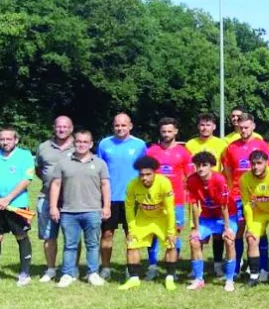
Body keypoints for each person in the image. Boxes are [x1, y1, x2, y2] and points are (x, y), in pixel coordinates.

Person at [47, 130, 110, 287]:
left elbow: (105, 185)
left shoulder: (99, 163)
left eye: (85, 142)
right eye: (79, 141)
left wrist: (106, 206)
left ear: (91, 144)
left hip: (93, 210)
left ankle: (92, 273)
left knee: (92, 244)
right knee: (70, 245)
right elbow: (55, 184)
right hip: (69, 211)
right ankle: (68, 274)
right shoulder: (63, 162)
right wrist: (54, 207)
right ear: (74, 143)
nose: (81, 144)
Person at [0, 127, 36, 286]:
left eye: (8, 139)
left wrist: (8, 199)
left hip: (17, 205)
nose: (5, 142)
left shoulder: (25, 155)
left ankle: (24, 274)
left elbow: (27, 178)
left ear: (16, 140)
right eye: (2, 139)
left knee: (21, 236)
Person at [222, 114, 269, 281]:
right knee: (238, 232)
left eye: (246, 127)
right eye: (240, 128)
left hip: (257, 196)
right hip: (237, 196)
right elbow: (228, 172)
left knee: (259, 232)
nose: (243, 131)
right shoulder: (231, 147)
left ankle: (263, 269)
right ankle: (236, 267)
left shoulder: (262, 145)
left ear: (253, 126)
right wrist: (230, 192)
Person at [97, 113, 147, 281]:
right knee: (107, 234)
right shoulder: (104, 144)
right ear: (113, 126)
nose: (120, 128)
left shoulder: (140, 145)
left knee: (131, 235)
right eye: (117, 125)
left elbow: (145, 172)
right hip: (109, 198)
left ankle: (131, 269)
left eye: (123, 125)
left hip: (132, 199)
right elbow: (99, 171)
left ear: (130, 126)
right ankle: (105, 268)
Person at [118, 156, 178, 291]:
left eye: (148, 174)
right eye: (141, 175)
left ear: (155, 173)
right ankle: (134, 279)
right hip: (143, 217)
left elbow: (170, 209)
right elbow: (129, 208)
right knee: (131, 244)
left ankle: (169, 278)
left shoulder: (164, 183)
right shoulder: (132, 184)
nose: (144, 178)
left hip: (160, 218)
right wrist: (132, 230)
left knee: (171, 243)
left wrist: (171, 231)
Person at [146, 117, 193, 280]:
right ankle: (152, 266)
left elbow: (191, 177)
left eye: (169, 131)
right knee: (153, 233)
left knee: (175, 234)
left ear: (176, 131)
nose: (166, 134)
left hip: (176, 201)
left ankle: (171, 269)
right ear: (160, 132)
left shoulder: (184, 152)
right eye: (163, 131)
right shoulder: (152, 151)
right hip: (154, 201)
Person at [185, 151, 236, 291]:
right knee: (194, 240)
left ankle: (230, 279)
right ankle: (198, 279)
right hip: (207, 218)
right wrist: (195, 228)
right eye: (198, 165)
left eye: (204, 165)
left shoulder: (219, 180)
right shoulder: (192, 180)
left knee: (229, 240)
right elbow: (194, 206)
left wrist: (227, 227)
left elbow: (224, 206)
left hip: (226, 216)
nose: (200, 168)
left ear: (211, 166)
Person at [239, 150, 269, 289]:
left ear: (267, 162)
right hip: (258, 212)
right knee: (252, 239)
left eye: (259, 163)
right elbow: (247, 205)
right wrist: (249, 227)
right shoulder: (244, 179)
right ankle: (254, 276)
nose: (256, 167)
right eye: (253, 164)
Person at [35, 116, 74, 283]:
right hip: (46, 196)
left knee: (72, 236)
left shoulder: (79, 145)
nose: (62, 129)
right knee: (49, 235)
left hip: (72, 198)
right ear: (54, 127)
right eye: (59, 126)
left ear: (71, 128)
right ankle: (51, 269)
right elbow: (38, 169)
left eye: (65, 127)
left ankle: (72, 268)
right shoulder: (43, 147)